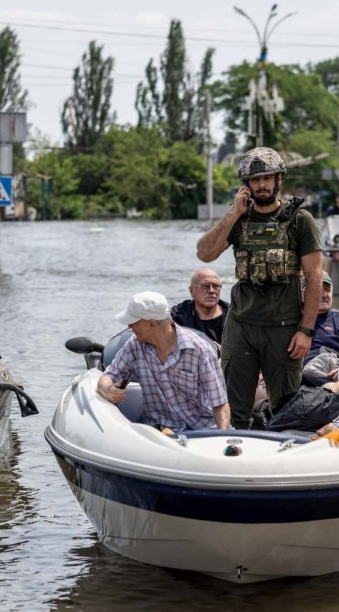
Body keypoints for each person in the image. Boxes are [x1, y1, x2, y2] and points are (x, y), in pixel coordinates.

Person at [196, 147, 323, 428]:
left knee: (286, 408)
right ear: (246, 185)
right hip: (241, 327)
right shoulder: (239, 219)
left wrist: (305, 330)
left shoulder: (300, 220)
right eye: (255, 180)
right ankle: (234, 459)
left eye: (267, 178)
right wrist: (233, 213)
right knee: (234, 407)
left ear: (279, 179)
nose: (262, 185)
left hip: (284, 329)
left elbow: (314, 277)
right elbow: (205, 253)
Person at [97, 291, 230, 431]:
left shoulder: (200, 350)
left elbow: (220, 403)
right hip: (158, 434)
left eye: (134, 322)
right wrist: (107, 390)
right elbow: (107, 376)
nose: (130, 326)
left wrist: (223, 437)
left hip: (202, 431)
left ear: (152, 324)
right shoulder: (134, 345)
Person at [304, 269, 339, 364]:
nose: (324, 295)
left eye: (327, 290)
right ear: (304, 293)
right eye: (318, 289)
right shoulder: (292, 319)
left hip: (330, 374)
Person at [170, 268, 230, 345]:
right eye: (205, 286)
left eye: (216, 286)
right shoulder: (179, 316)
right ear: (191, 291)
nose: (212, 291)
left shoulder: (234, 315)